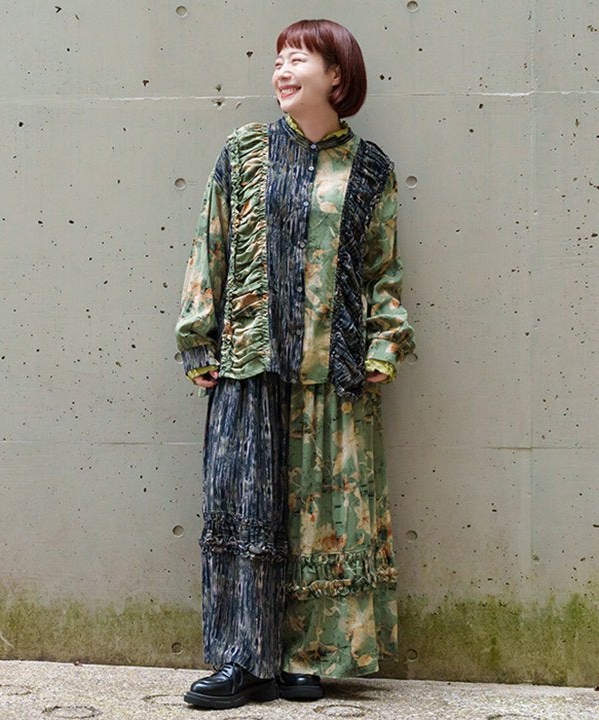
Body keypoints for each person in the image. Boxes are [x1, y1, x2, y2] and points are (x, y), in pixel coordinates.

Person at [175, 18, 415, 711]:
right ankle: (241, 660)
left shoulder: (369, 168)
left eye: (298, 59)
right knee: (245, 509)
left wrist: (384, 344)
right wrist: (198, 338)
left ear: (336, 76)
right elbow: (210, 244)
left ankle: (307, 658)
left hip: (333, 370)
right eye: (278, 60)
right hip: (250, 363)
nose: (282, 71)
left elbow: (382, 268)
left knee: (324, 518)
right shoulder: (245, 151)